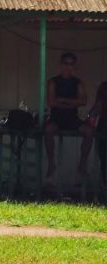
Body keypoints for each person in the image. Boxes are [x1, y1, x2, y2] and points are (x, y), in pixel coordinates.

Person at [43, 51, 88, 182]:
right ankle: (51, 163)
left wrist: (62, 100)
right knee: (48, 130)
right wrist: (73, 102)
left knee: (89, 131)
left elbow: (83, 101)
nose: (68, 66)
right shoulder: (53, 82)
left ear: (74, 66)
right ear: (61, 64)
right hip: (56, 119)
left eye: (71, 64)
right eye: (66, 63)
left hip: (72, 119)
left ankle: (82, 164)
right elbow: (51, 102)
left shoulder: (77, 82)